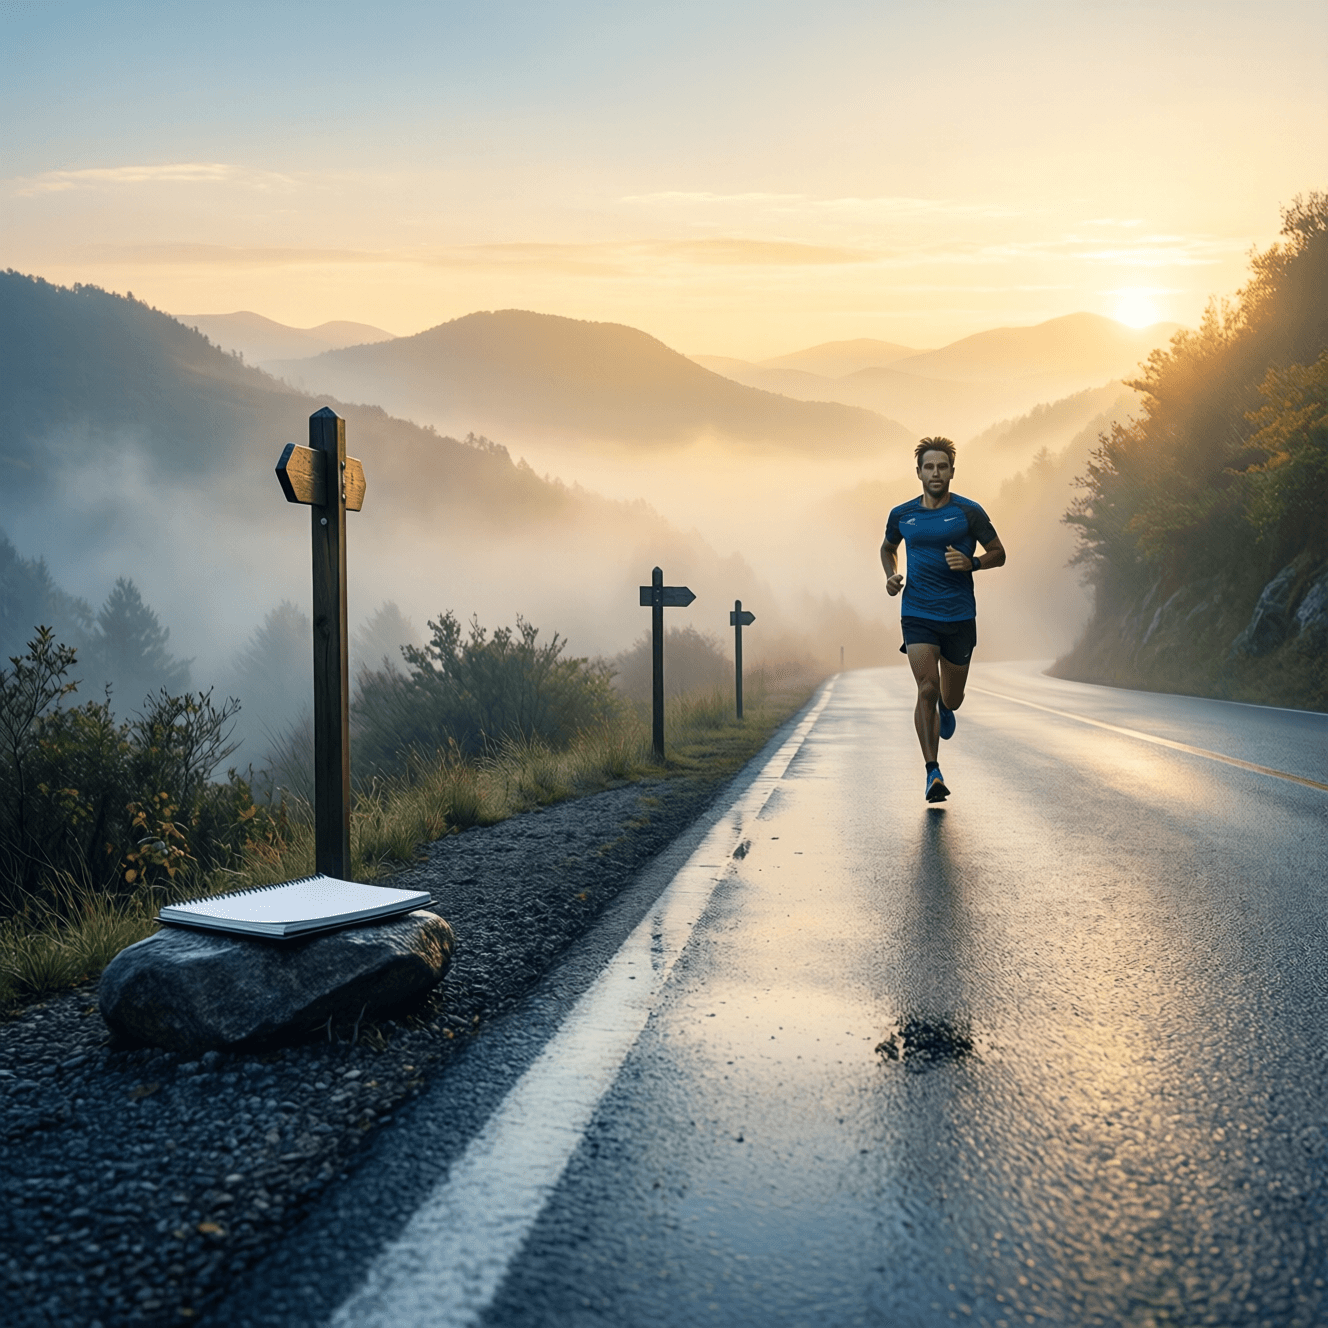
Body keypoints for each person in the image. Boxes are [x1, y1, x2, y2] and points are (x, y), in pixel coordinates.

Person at [880, 437, 1005, 803]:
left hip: (960, 616)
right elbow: (888, 547)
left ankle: (946, 708)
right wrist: (891, 574)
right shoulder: (903, 514)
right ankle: (932, 771)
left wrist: (974, 563)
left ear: (952, 471)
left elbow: (999, 552)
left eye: (942, 467)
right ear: (918, 473)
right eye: (929, 467)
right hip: (917, 612)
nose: (936, 473)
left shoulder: (969, 513)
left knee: (951, 696)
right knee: (926, 689)